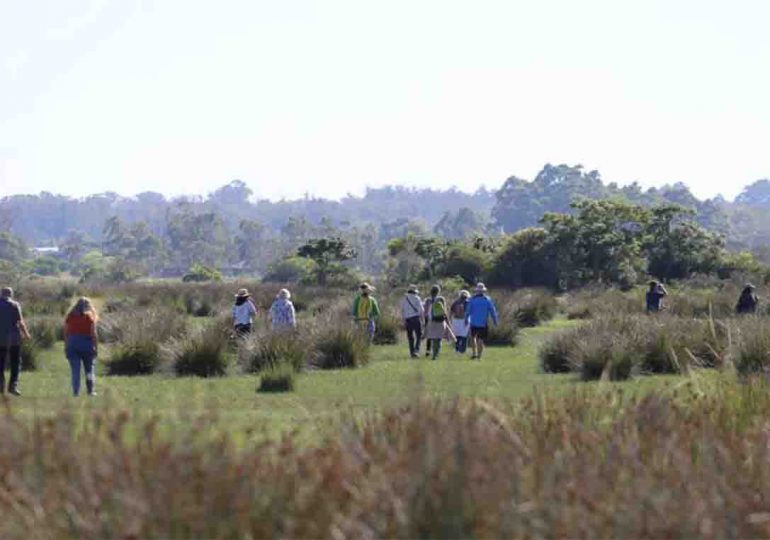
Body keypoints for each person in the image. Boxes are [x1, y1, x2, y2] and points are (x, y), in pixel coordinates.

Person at [63, 297, 99, 397]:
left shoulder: (70, 316)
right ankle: (90, 390)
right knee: (89, 369)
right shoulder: (89, 317)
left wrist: (66, 346)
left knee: (75, 371)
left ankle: (76, 392)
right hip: (87, 345)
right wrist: (95, 347)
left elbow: (66, 332)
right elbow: (93, 333)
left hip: (72, 344)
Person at [0, 287, 30, 396]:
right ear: (10, 294)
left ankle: (0, 386)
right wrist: (26, 334)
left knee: (1, 363)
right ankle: (13, 386)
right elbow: (20, 321)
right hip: (13, 339)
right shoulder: (14, 305)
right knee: (15, 362)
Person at [465, 283, 498, 360]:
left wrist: (466, 319)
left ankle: (474, 354)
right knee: (480, 339)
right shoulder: (487, 300)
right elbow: (493, 311)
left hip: (474, 322)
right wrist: (495, 321)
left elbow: (468, 310)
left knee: (473, 338)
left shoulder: (472, 299)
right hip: (482, 323)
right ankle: (479, 356)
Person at [425, 293, 455, 360]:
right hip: (441, 324)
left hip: (433, 323)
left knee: (434, 340)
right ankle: (437, 353)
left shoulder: (432, 306)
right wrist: (449, 325)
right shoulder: (442, 306)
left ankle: (434, 354)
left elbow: (428, 315)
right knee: (439, 340)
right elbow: (445, 316)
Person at [400, 284, 424, 358]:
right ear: (415, 292)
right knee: (419, 335)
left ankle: (412, 353)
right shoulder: (417, 298)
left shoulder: (404, 299)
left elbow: (402, 310)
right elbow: (421, 310)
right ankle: (416, 350)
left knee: (410, 337)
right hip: (415, 318)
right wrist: (423, 319)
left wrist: (403, 320)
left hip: (407, 319)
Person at [423, 284, 441, 357]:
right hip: (437, 319)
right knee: (436, 335)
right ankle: (436, 351)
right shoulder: (440, 299)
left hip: (429, 319)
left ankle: (428, 351)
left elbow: (425, 311)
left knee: (429, 336)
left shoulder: (427, 300)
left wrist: (425, 319)